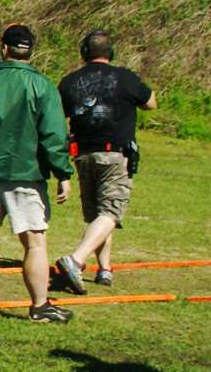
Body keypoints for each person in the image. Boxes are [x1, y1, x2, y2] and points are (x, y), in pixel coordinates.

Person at [0, 24, 76, 324]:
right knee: (35, 243)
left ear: (3, 48)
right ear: (31, 50)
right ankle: (40, 306)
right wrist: (63, 172)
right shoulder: (42, 85)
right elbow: (53, 133)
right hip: (26, 175)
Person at [54, 30, 157, 292]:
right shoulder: (124, 77)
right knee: (110, 212)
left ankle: (105, 269)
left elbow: (57, 117)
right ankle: (76, 261)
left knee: (97, 216)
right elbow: (151, 103)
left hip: (83, 154)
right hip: (114, 154)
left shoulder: (69, 81)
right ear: (110, 52)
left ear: (84, 52)